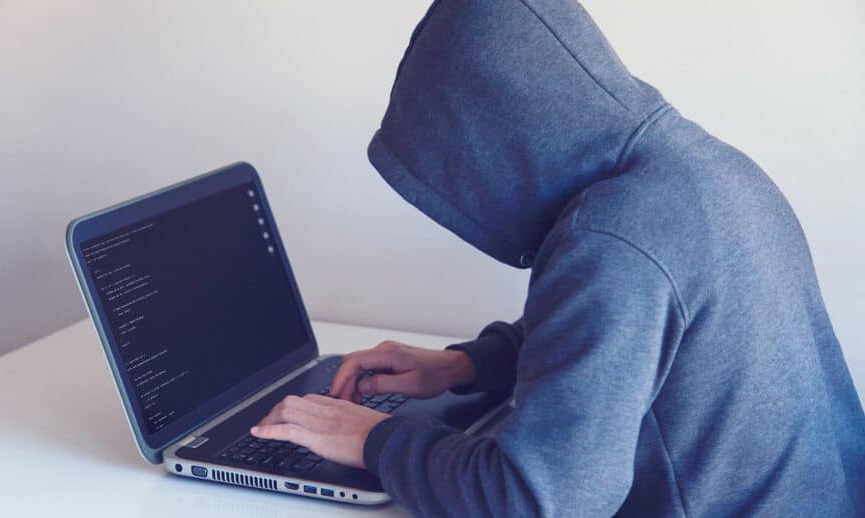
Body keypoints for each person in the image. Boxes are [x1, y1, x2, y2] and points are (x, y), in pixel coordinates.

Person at [251, 1, 865, 515]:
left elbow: (535, 500)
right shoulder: (706, 171)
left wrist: (373, 439)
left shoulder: (614, 242)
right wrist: (465, 366)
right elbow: (635, 346)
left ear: (495, 139)